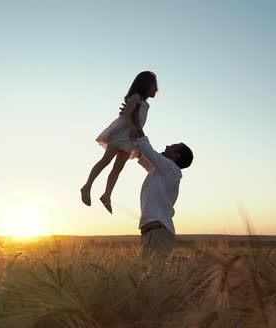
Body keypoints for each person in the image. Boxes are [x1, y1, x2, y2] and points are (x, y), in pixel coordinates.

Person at [81, 71, 158, 214]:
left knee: (118, 168)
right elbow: (127, 114)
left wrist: (137, 133)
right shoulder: (135, 97)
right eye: (154, 86)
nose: (156, 90)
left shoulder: (145, 104)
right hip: (122, 133)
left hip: (131, 138)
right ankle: (87, 186)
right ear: (146, 85)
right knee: (106, 161)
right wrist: (134, 129)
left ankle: (107, 195)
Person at [134, 129, 193, 258]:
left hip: (158, 232)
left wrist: (136, 123)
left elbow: (147, 149)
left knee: (151, 275)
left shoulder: (170, 168)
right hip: (152, 231)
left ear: (176, 156)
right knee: (147, 275)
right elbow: (144, 156)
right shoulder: (162, 170)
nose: (167, 146)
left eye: (172, 147)